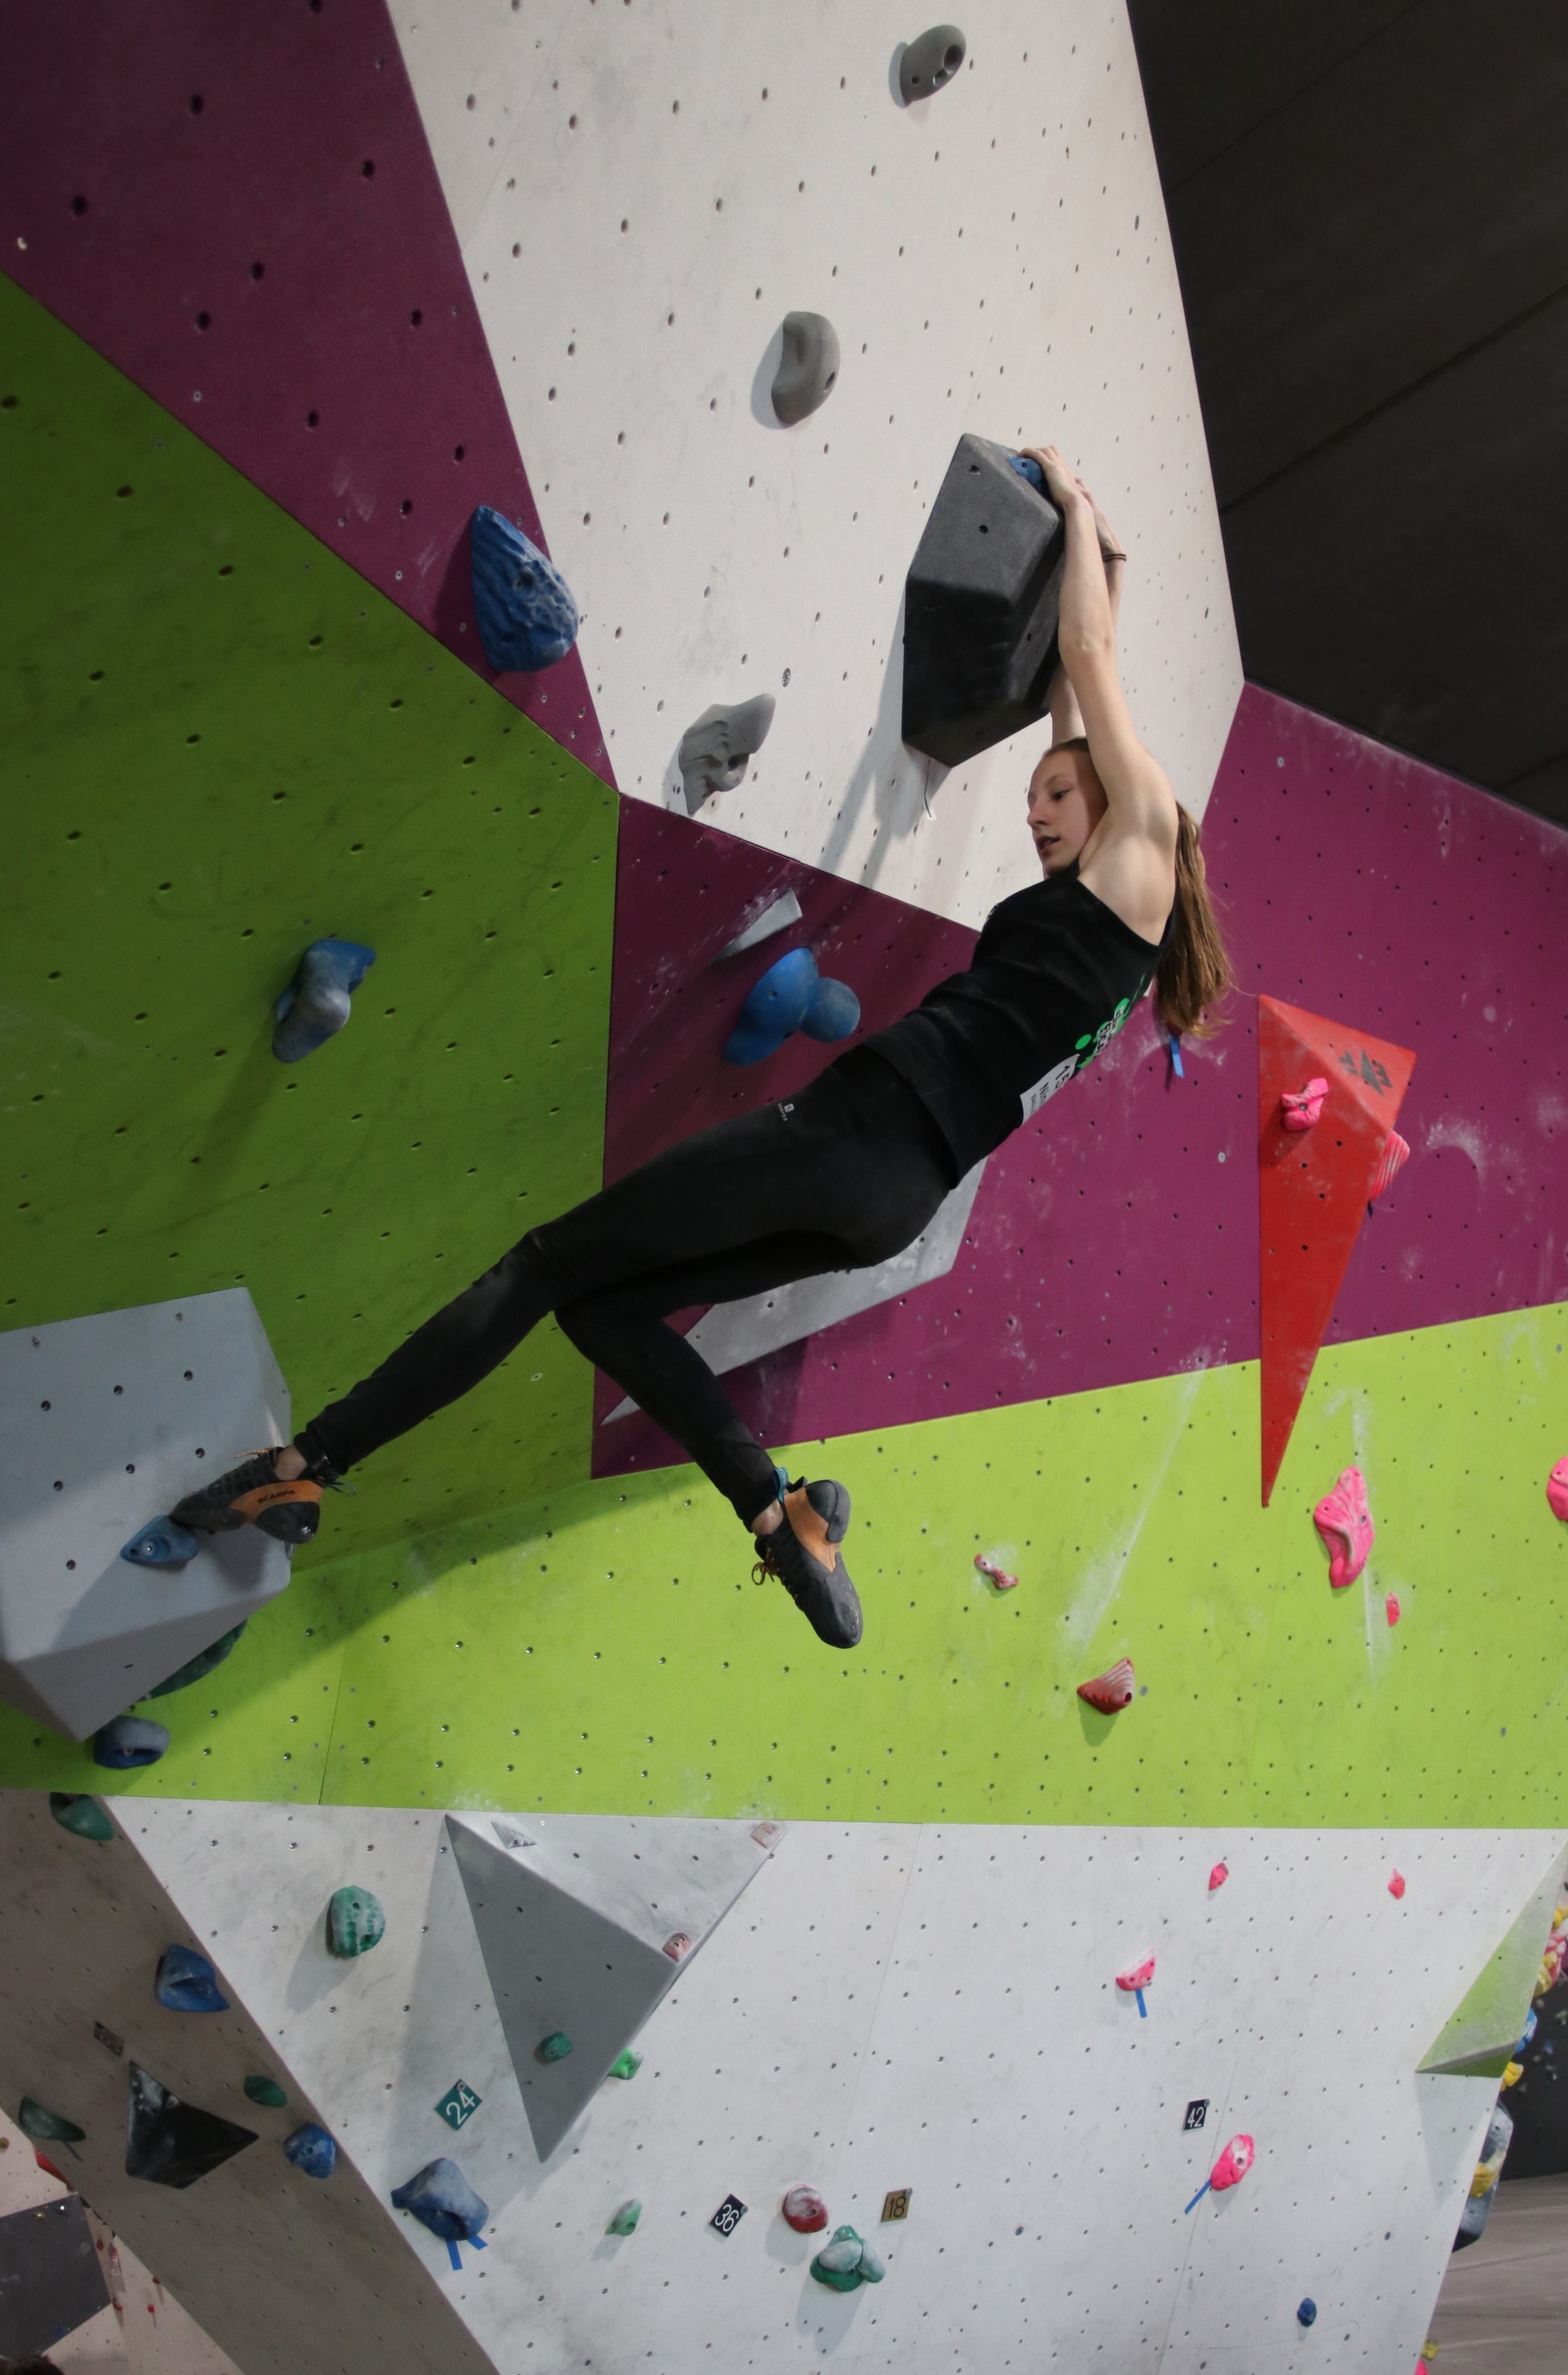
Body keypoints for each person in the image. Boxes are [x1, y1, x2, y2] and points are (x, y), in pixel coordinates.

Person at [169, 444, 1231, 1651]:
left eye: (1056, 797)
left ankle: (303, 1468)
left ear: (1121, 805)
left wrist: (1080, 505)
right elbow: (1076, 692)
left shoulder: (1143, 842)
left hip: (858, 1136)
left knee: (540, 1264)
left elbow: (1088, 661)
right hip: (892, 1197)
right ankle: (781, 1515)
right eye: (1034, 793)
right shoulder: (1111, 928)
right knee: (603, 1312)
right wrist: (1097, 566)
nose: (1036, 810)